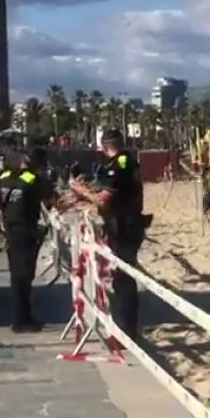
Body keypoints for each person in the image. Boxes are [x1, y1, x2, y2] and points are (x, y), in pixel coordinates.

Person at [68, 129, 147, 344]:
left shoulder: (120, 164)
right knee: (119, 278)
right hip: (121, 225)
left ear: (104, 147)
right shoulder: (123, 162)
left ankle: (126, 333)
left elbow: (103, 198)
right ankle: (123, 329)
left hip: (124, 227)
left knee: (122, 279)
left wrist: (78, 189)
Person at [0, 148, 57, 332]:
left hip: (10, 230)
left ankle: (23, 316)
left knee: (16, 274)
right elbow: (51, 201)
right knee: (25, 275)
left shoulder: (3, 177)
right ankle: (22, 319)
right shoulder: (34, 179)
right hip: (26, 231)